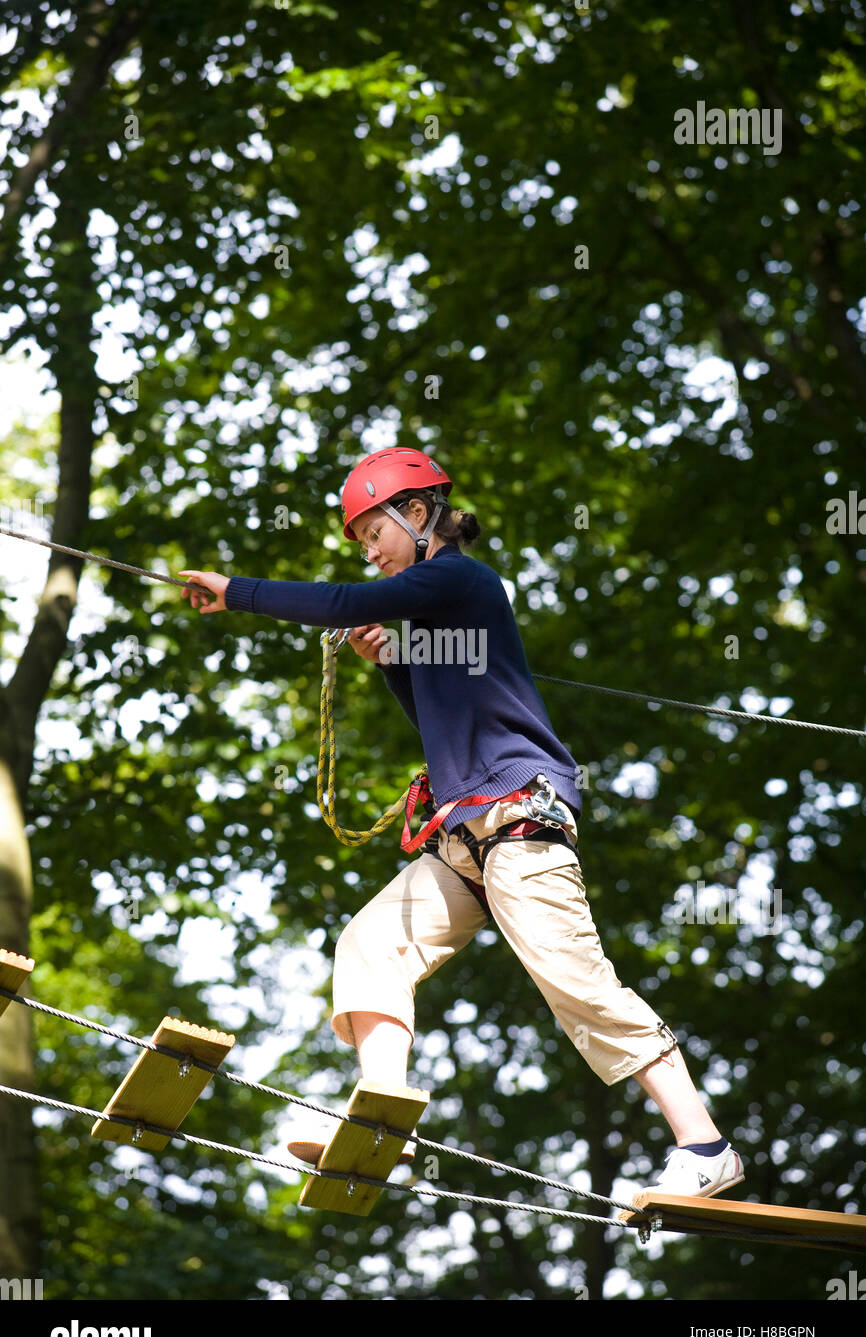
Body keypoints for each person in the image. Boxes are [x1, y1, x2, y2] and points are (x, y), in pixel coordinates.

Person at [179, 445, 744, 1201]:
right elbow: (440, 716)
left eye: (371, 532)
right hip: (467, 842)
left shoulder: (461, 579)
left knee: (577, 981)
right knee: (372, 945)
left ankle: (704, 1144)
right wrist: (391, 664)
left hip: (518, 823)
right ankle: (385, 1118)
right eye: (358, 544)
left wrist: (236, 592)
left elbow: (346, 604)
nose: (368, 551)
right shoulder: (433, 616)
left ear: (417, 515)